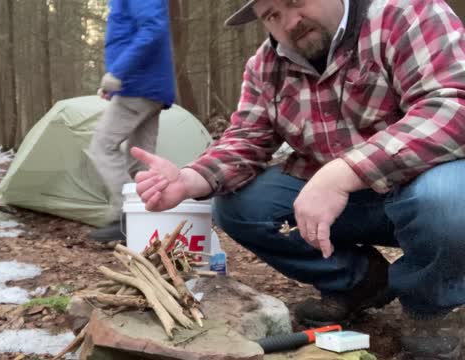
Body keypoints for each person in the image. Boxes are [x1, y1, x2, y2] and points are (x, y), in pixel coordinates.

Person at [130, 0, 465, 358]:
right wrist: (188, 178)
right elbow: (246, 140)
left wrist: (343, 173)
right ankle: (360, 283)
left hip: (422, 190)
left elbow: (452, 105)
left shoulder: (405, 13)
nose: (289, 22)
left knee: (447, 200)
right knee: (238, 204)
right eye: (272, 15)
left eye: (295, 1)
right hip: (345, 203)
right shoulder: (265, 66)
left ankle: (433, 309)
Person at [88, 0, 176, 242]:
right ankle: (146, 221)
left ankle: (126, 215)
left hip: (139, 85)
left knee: (102, 146)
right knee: (140, 157)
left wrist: (119, 72)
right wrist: (115, 83)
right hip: (149, 86)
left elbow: (153, 28)